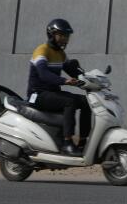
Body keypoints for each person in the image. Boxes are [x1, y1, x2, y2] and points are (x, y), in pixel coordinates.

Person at [27, 17, 89, 155]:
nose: (64, 39)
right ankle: (67, 143)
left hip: (52, 93)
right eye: (61, 35)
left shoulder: (60, 54)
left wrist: (90, 80)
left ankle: (83, 142)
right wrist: (65, 81)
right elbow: (43, 74)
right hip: (38, 94)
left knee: (86, 102)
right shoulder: (41, 51)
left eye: (66, 36)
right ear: (51, 34)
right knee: (69, 102)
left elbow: (73, 70)